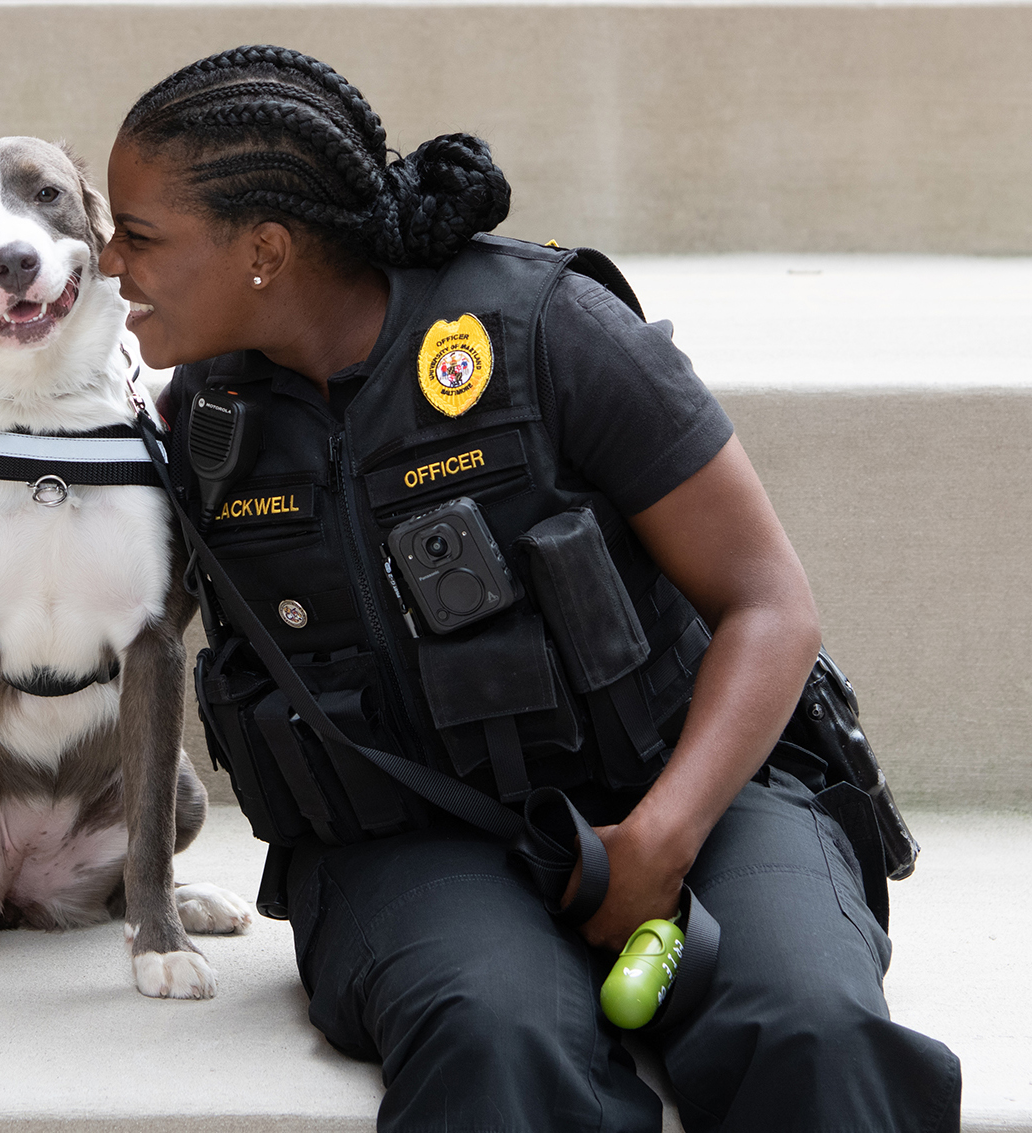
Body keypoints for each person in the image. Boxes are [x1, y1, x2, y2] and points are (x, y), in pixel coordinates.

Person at [98, 44, 961, 1132]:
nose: (109, 262)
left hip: (693, 781)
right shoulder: (203, 426)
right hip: (406, 842)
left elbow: (768, 602)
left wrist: (663, 834)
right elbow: (76, 641)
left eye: (138, 234)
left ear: (262, 249)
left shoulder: (543, 330)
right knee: (495, 1041)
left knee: (811, 1031)